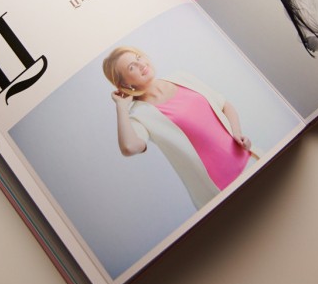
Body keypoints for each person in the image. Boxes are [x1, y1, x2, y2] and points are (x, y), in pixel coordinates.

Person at [104, 46, 257, 210]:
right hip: (219, 193)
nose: (141, 64)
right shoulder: (140, 114)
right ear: (125, 84)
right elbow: (129, 147)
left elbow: (225, 105)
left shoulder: (181, 77)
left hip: (251, 162)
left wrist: (237, 133)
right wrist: (121, 107)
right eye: (131, 67)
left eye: (138, 57)